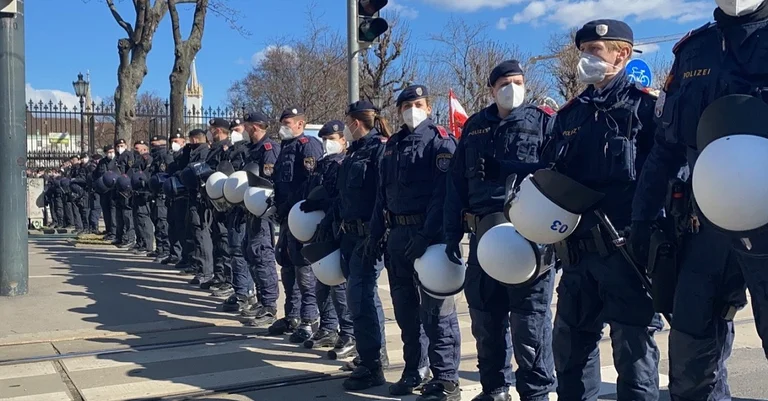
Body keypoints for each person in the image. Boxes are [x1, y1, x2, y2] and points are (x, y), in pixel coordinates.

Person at [630, 2, 768, 399]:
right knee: (691, 360)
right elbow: (665, 148)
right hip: (703, 226)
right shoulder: (694, 50)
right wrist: (642, 217)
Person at [543, 20, 663, 401]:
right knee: (570, 353)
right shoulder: (569, 116)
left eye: (594, 51)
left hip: (628, 254)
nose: (585, 59)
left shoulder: (646, 110)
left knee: (635, 360)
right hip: (578, 256)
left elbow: (667, 177)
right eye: (583, 51)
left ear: (622, 55)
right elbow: (550, 178)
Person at [443, 60, 556, 401]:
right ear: (492, 89)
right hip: (483, 237)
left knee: (529, 323)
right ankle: (495, 388)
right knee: (485, 317)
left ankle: (536, 393)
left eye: (518, 81)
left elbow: (555, 172)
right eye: (505, 82)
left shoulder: (543, 122)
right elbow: (456, 183)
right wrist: (450, 234)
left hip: (529, 236)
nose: (512, 87)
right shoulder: (476, 126)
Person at [365, 85, 460, 401]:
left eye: (417, 104)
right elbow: (382, 196)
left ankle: (445, 379)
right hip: (398, 238)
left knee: (437, 313)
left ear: (429, 107)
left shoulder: (440, 141)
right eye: (406, 105)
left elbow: (443, 194)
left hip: (430, 240)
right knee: (406, 311)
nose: (411, 109)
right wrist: (374, 235)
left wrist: (425, 235)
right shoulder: (392, 145)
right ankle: (414, 369)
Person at [329, 101, 392, 390]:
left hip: (368, 236)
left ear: (357, 122)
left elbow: (382, 195)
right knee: (364, 298)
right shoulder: (354, 152)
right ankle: (374, 354)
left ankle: (372, 366)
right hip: (350, 235)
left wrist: (376, 234)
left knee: (361, 299)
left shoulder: (378, 149)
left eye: (347, 122)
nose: (346, 128)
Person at [297, 120, 354, 351]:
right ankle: (328, 328)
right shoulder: (322, 165)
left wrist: (323, 203)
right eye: (325, 140)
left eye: (332, 139)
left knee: (338, 284)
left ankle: (348, 332)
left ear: (343, 140)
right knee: (321, 282)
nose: (328, 143)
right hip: (319, 231)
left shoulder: (343, 164)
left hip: (336, 230)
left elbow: (342, 199)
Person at [270, 107, 324, 340]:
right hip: (286, 218)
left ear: (301, 124)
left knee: (304, 269)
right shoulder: (285, 148)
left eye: (288, 122)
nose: (284, 126)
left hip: (301, 215)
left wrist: (291, 203)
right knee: (288, 265)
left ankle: (309, 319)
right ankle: (291, 314)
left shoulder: (307, 145)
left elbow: (312, 180)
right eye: (282, 122)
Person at [240, 112, 282, 325]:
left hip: (262, 209)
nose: (244, 130)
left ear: (254, 127)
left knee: (261, 253)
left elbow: (268, 181)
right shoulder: (253, 150)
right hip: (250, 208)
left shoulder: (269, 149)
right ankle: (261, 298)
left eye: (246, 126)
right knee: (249, 250)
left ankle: (269, 305)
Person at [216, 118, 252, 300]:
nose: (234, 133)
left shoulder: (248, 151)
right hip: (230, 206)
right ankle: (238, 288)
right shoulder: (229, 151)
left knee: (242, 250)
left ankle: (245, 291)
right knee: (234, 249)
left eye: (237, 129)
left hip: (244, 207)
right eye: (232, 130)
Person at [202, 118, 233, 291]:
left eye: (212, 129)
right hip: (212, 201)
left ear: (219, 131)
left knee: (224, 240)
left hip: (223, 201)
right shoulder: (213, 149)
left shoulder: (226, 149)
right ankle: (219, 275)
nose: (209, 132)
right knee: (216, 238)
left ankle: (228, 279)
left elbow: (224, 172)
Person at [184, 129, 213, 285]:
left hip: (200, 198)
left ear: (194, 140)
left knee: (202, 234)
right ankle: (201, 268)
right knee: (195, 233)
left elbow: (199, 174)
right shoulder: (192, 152)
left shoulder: (203, 153)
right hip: (193, 197)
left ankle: (206, 271)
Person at [163, 131, 190, 267]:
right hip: (172, 195)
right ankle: (175, 254)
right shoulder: (171, 156)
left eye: (177, 141)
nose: (174, 144)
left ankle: (185, 256)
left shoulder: (185, 155)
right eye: (172, 141)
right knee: (173, 226)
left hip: (182, 195)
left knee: (183, 228)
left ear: (183, 142)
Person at [148, 135, 175, 263]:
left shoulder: (166, 157)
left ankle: (165, 249)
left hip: (162, 196)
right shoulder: (155, 158)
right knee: (157, 222)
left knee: (162, 223)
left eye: (155, 144)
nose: (153, 146)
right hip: (155, 195)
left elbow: (167, 175)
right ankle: (160, 248)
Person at [131, 140, 154, 254]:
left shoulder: (147, 159)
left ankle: (147, 245)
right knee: (137, 219)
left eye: (138, 149)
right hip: (136, 193)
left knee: (143, 220)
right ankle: (140, 242)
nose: (136, 151)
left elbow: (145, 175)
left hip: (144, 194)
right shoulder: (137, 160)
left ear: (145, 149)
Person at [114, 139, 136, 248]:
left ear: (126, 145)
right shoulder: (116, 157)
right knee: (119, 215)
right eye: (118, 145)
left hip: (126, 188)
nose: (120, 147)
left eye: (122, 145)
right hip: (117, 189)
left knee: (127, 214)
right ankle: (120, 236)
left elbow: (130, 172)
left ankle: (130, 237)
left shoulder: (128, 155)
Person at [98, 145, 118, 241]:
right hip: (104, 190)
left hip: (114, 190)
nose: (111, 154)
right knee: (106, 212)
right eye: (109, 152)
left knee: (113, 211)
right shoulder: (102, 162)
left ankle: (114, 232)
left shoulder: (118, 160)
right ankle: (109, 230)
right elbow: (97, 174)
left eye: (112, 151)